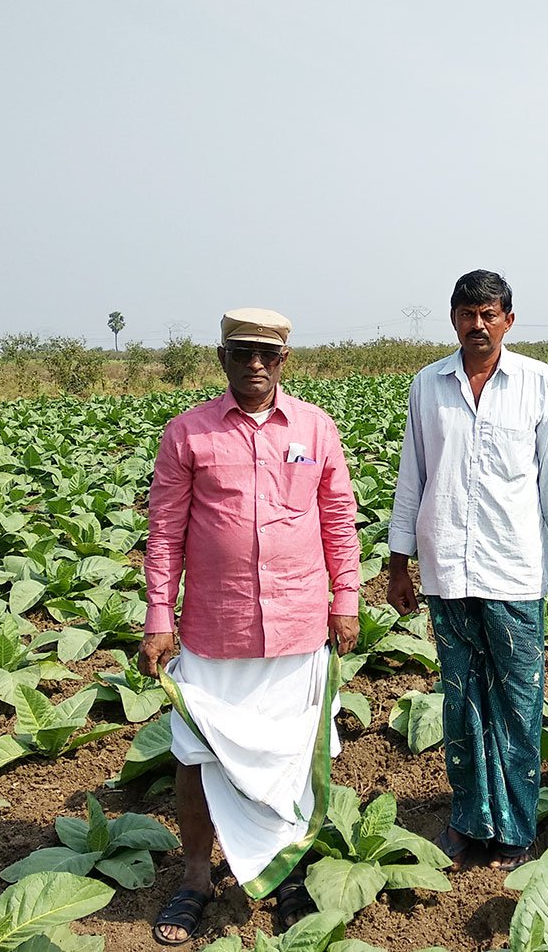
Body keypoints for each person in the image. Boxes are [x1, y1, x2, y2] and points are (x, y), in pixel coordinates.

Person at [139, 308, 361, 945]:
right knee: (196, 753)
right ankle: (194, 877)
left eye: (266, 353)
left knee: (294, 757)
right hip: (216, 628)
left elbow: (338, 520)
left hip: (296, 626)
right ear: (223, 358)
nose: (255, 364)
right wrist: (159, 618)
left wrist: (345, 598)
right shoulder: (189, 434)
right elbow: (164, 533)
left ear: (284, 360)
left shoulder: (316, 429)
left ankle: (287, 874)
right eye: (242, 353)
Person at [387, 269, 548, 871]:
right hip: (448, 568)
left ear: (508, 320)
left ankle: (517, 826)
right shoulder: (429, 385)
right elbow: (411, 477)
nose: (478, 324)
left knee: (520, 702)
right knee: (461, 699)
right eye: (467, 314)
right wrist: (399, 566)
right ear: (453, 318)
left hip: (515, 569)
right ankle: (469, 821)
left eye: (489, 314)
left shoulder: (536, 382)